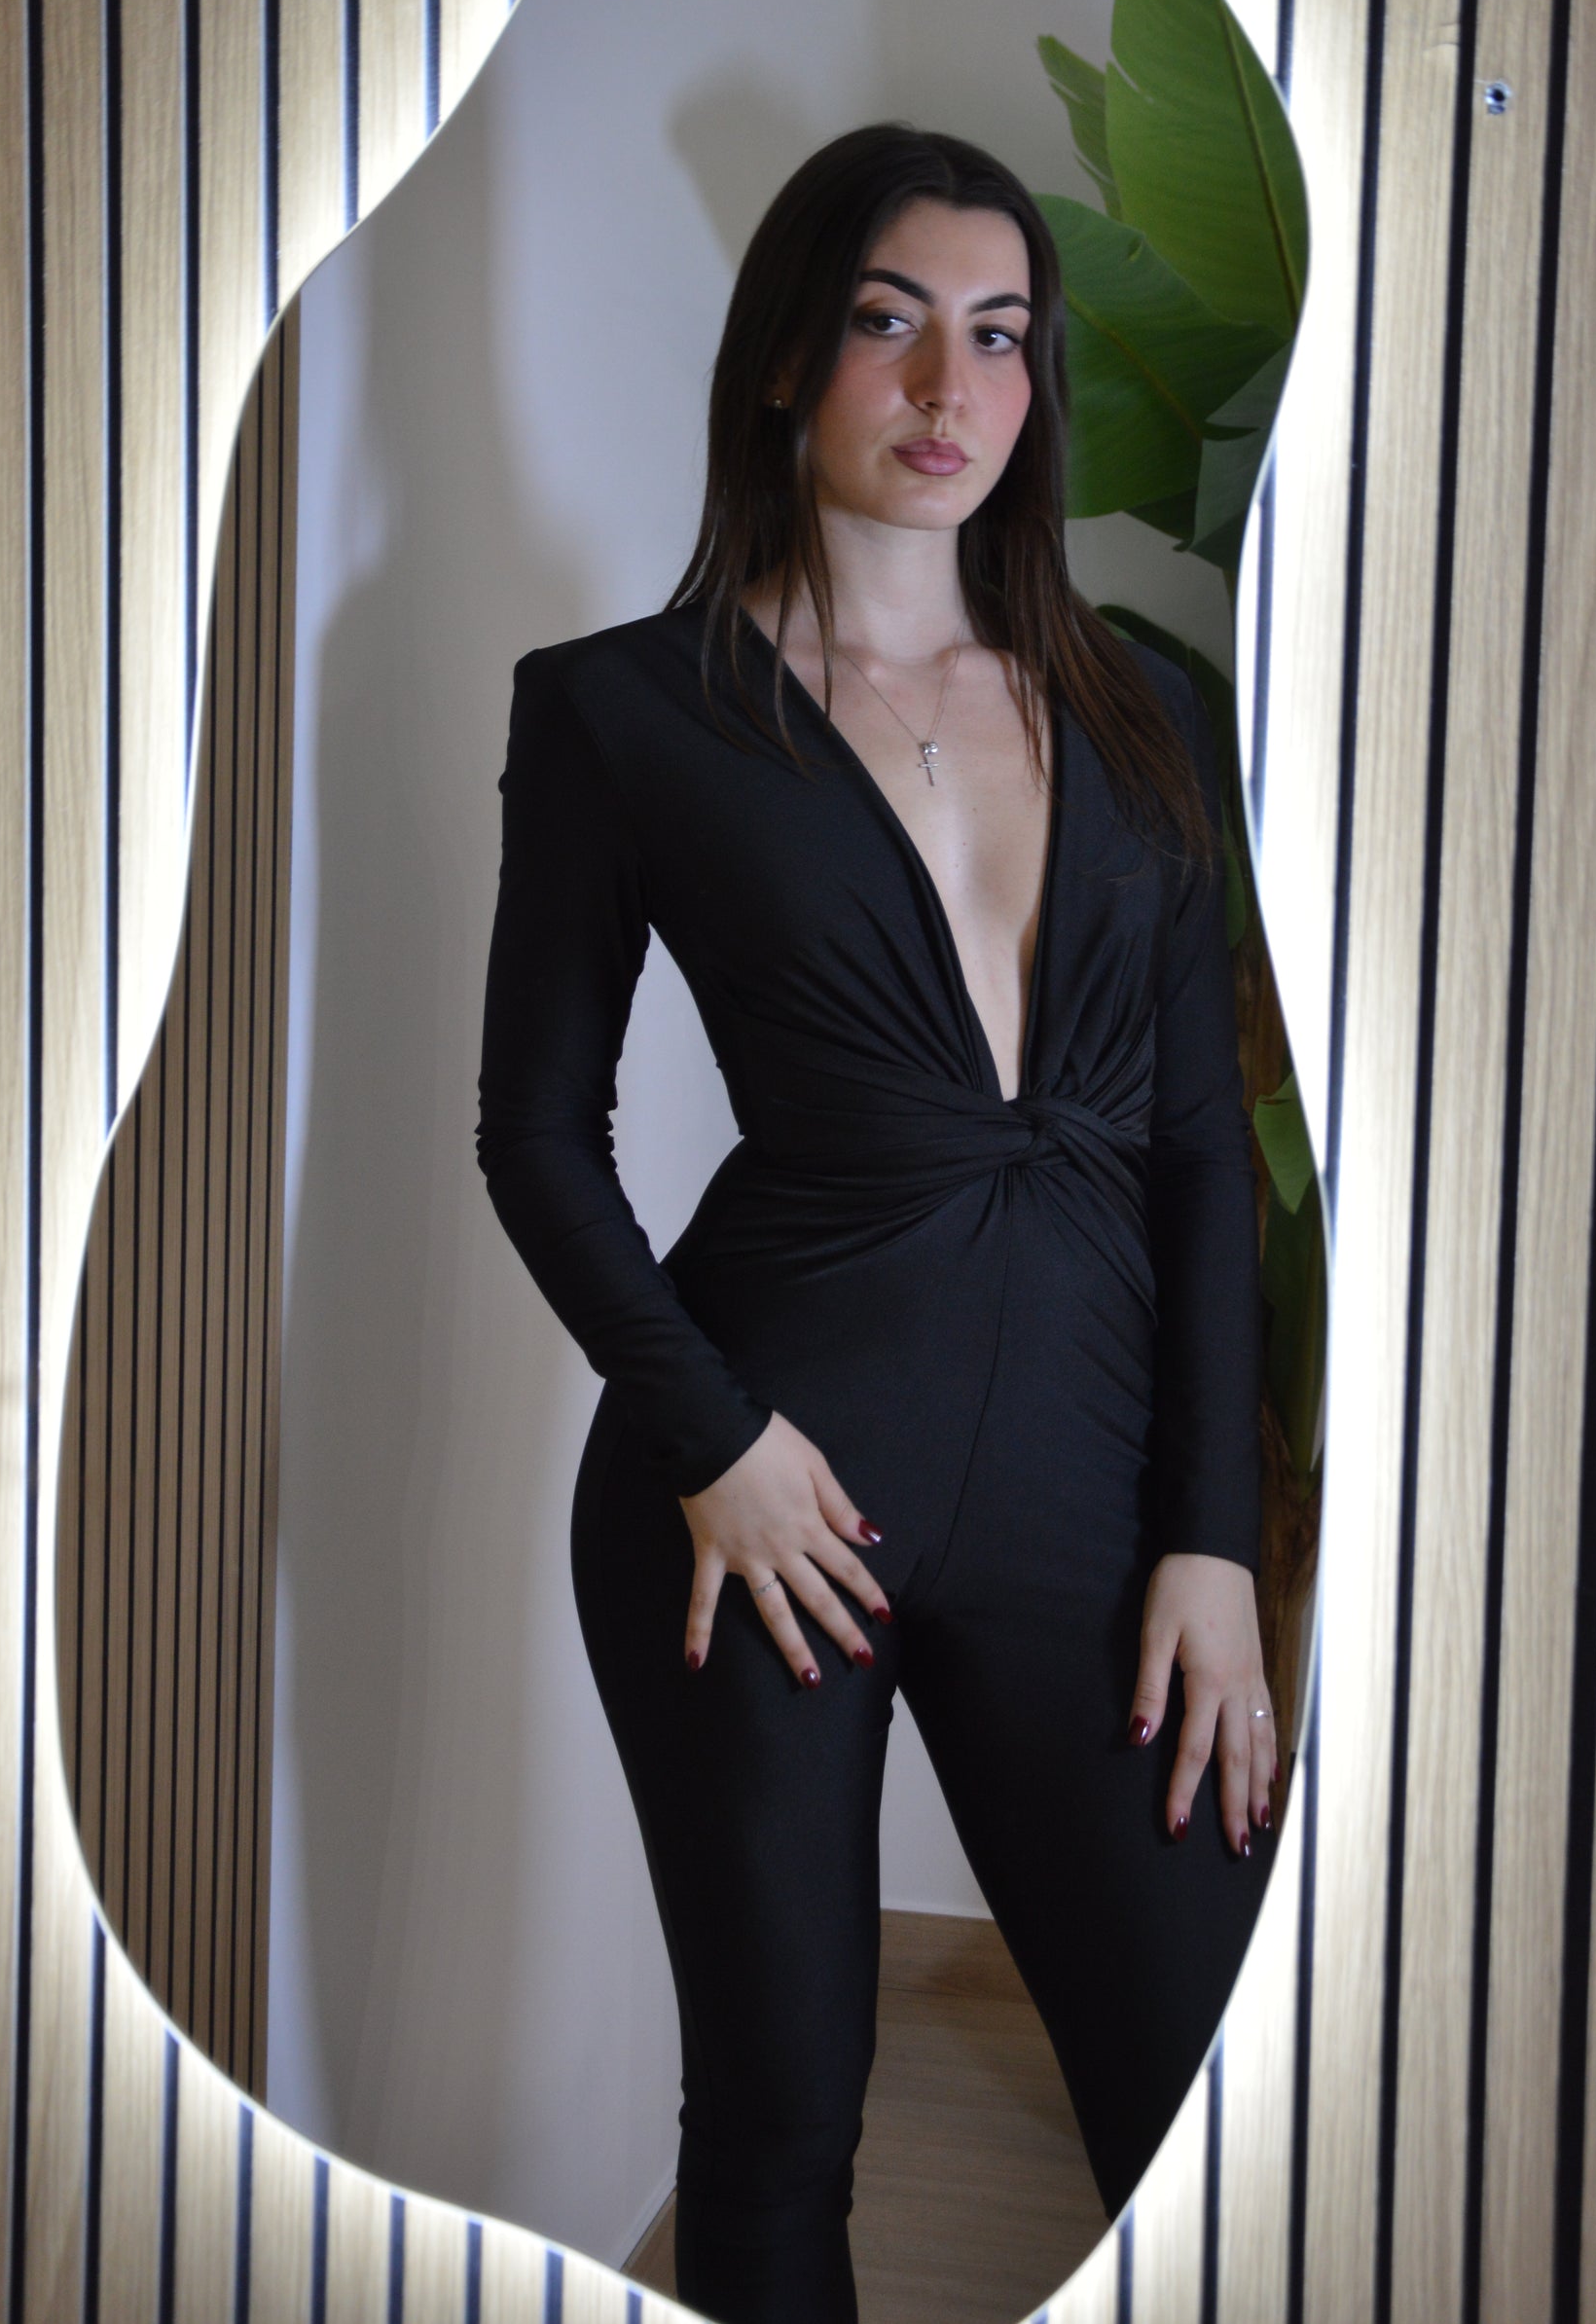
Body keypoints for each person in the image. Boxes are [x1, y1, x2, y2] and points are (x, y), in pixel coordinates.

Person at [476, 125, 1278, 2324]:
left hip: (1089, 1507)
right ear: (784, 359)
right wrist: (714, 1441)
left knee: (1213, 2099)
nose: (948, 385)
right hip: (759, 1501)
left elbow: (1196, 1148)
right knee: (776, 2125)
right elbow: (534, 1133)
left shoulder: (1145, 710)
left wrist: (1212, 1541)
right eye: (888, 320)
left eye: (998, 336)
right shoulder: (622, 710)